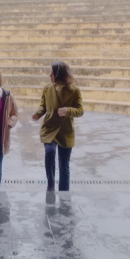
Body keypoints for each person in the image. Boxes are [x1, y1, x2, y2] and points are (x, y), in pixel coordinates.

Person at [32, 61, 84, 191]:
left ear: (59, 74)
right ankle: (50, 184)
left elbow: (80, 110)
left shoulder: (74, 90)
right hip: (49, 128)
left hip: (65, 131)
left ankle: (64, 192)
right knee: (49, 152)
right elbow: (43, 106)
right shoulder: (47, 88)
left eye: (52, 73)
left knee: (64, 165)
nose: (50, 75)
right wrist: (38, 114)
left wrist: (68, 111)